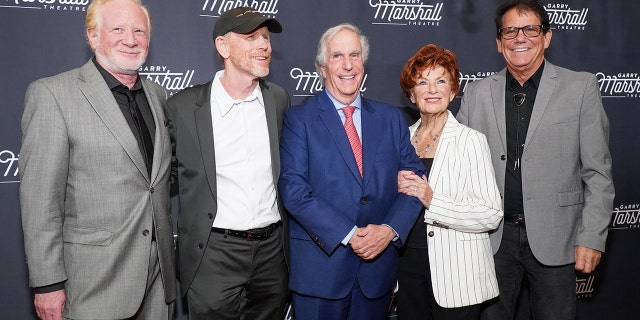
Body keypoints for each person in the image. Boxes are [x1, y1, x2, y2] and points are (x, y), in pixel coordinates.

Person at [457, 1, 615, 319]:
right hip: (492, 241)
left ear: (547, 37)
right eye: (510, 30)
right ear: (498, 42)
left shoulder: (580, 87)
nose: (520, 38)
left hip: (558, 238)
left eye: (530, 29)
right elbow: (458, 166)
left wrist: (592, 237)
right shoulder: (476, 93)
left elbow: (598, 174)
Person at [18, 0, 176, 319]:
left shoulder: (158, 95)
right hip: (93, 283)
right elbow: (41, 201)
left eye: (139, 31)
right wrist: (48, 284)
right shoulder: (53, 94)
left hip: (158, 283)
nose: (130, 39)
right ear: (92, 37)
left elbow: (156, 181)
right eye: (117, 29)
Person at [278, 23, 425, 320]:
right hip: (320, 274)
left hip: (376, 274)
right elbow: (294, 191)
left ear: (363, 63)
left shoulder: (390, 119)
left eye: (355, 55)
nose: (348, 65)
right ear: (322, 66)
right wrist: (348, 234)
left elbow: (415, 181)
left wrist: (389, 230)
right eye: (337, 56)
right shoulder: (299, 119)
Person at [163, 7, 289, 320]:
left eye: (265, 37)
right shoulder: (183, 108)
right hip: (213, 254)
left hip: (272, 254)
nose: (263, 45)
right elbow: (162, 180)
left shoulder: (278, 100)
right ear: (223, 47)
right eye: (250, 37)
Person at [396, 44, 504, 320]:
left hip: (457, 275)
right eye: (422, 82)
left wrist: (433, 201)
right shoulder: (399, 140)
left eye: (441, 81)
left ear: (453, 91)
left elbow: (491, 214)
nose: (432, 89)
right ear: (411, 93)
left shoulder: (471, 141)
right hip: (407, 268)